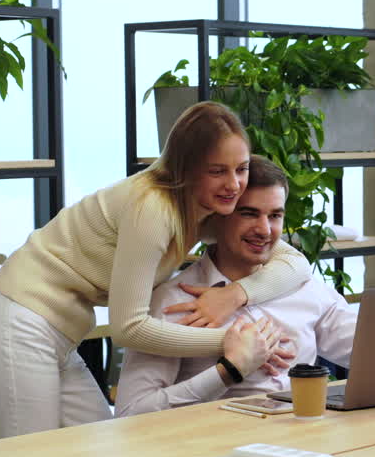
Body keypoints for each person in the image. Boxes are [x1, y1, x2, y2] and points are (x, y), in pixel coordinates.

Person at [0, 102, 311, 439]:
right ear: (186, 169)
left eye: (241, 168)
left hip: (57, 336)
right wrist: (232, 343)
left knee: (104, 456)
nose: (234, 184)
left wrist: (234, 295)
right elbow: (128, 329)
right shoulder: (154, 210)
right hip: (16, 324)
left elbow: (295, 263)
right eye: (217, 171)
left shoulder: (201, 210)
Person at [115, 155, 355, 417]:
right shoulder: (173, 300)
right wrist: (229, 371)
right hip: (217, 448)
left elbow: (366, 350)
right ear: (216, 218)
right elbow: (131, 414)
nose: (264, 230)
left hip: (306, 434)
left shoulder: (302, 286)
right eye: (249, 214)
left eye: (275, 216)